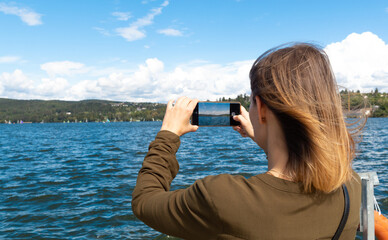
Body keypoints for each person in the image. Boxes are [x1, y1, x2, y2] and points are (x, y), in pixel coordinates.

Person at [132, 43, 361, 239]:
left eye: (251, 102)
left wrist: (168, 135)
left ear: (261, 108)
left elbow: (145, 201)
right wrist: (263, 134)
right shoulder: (350, 186)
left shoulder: (221, 198)